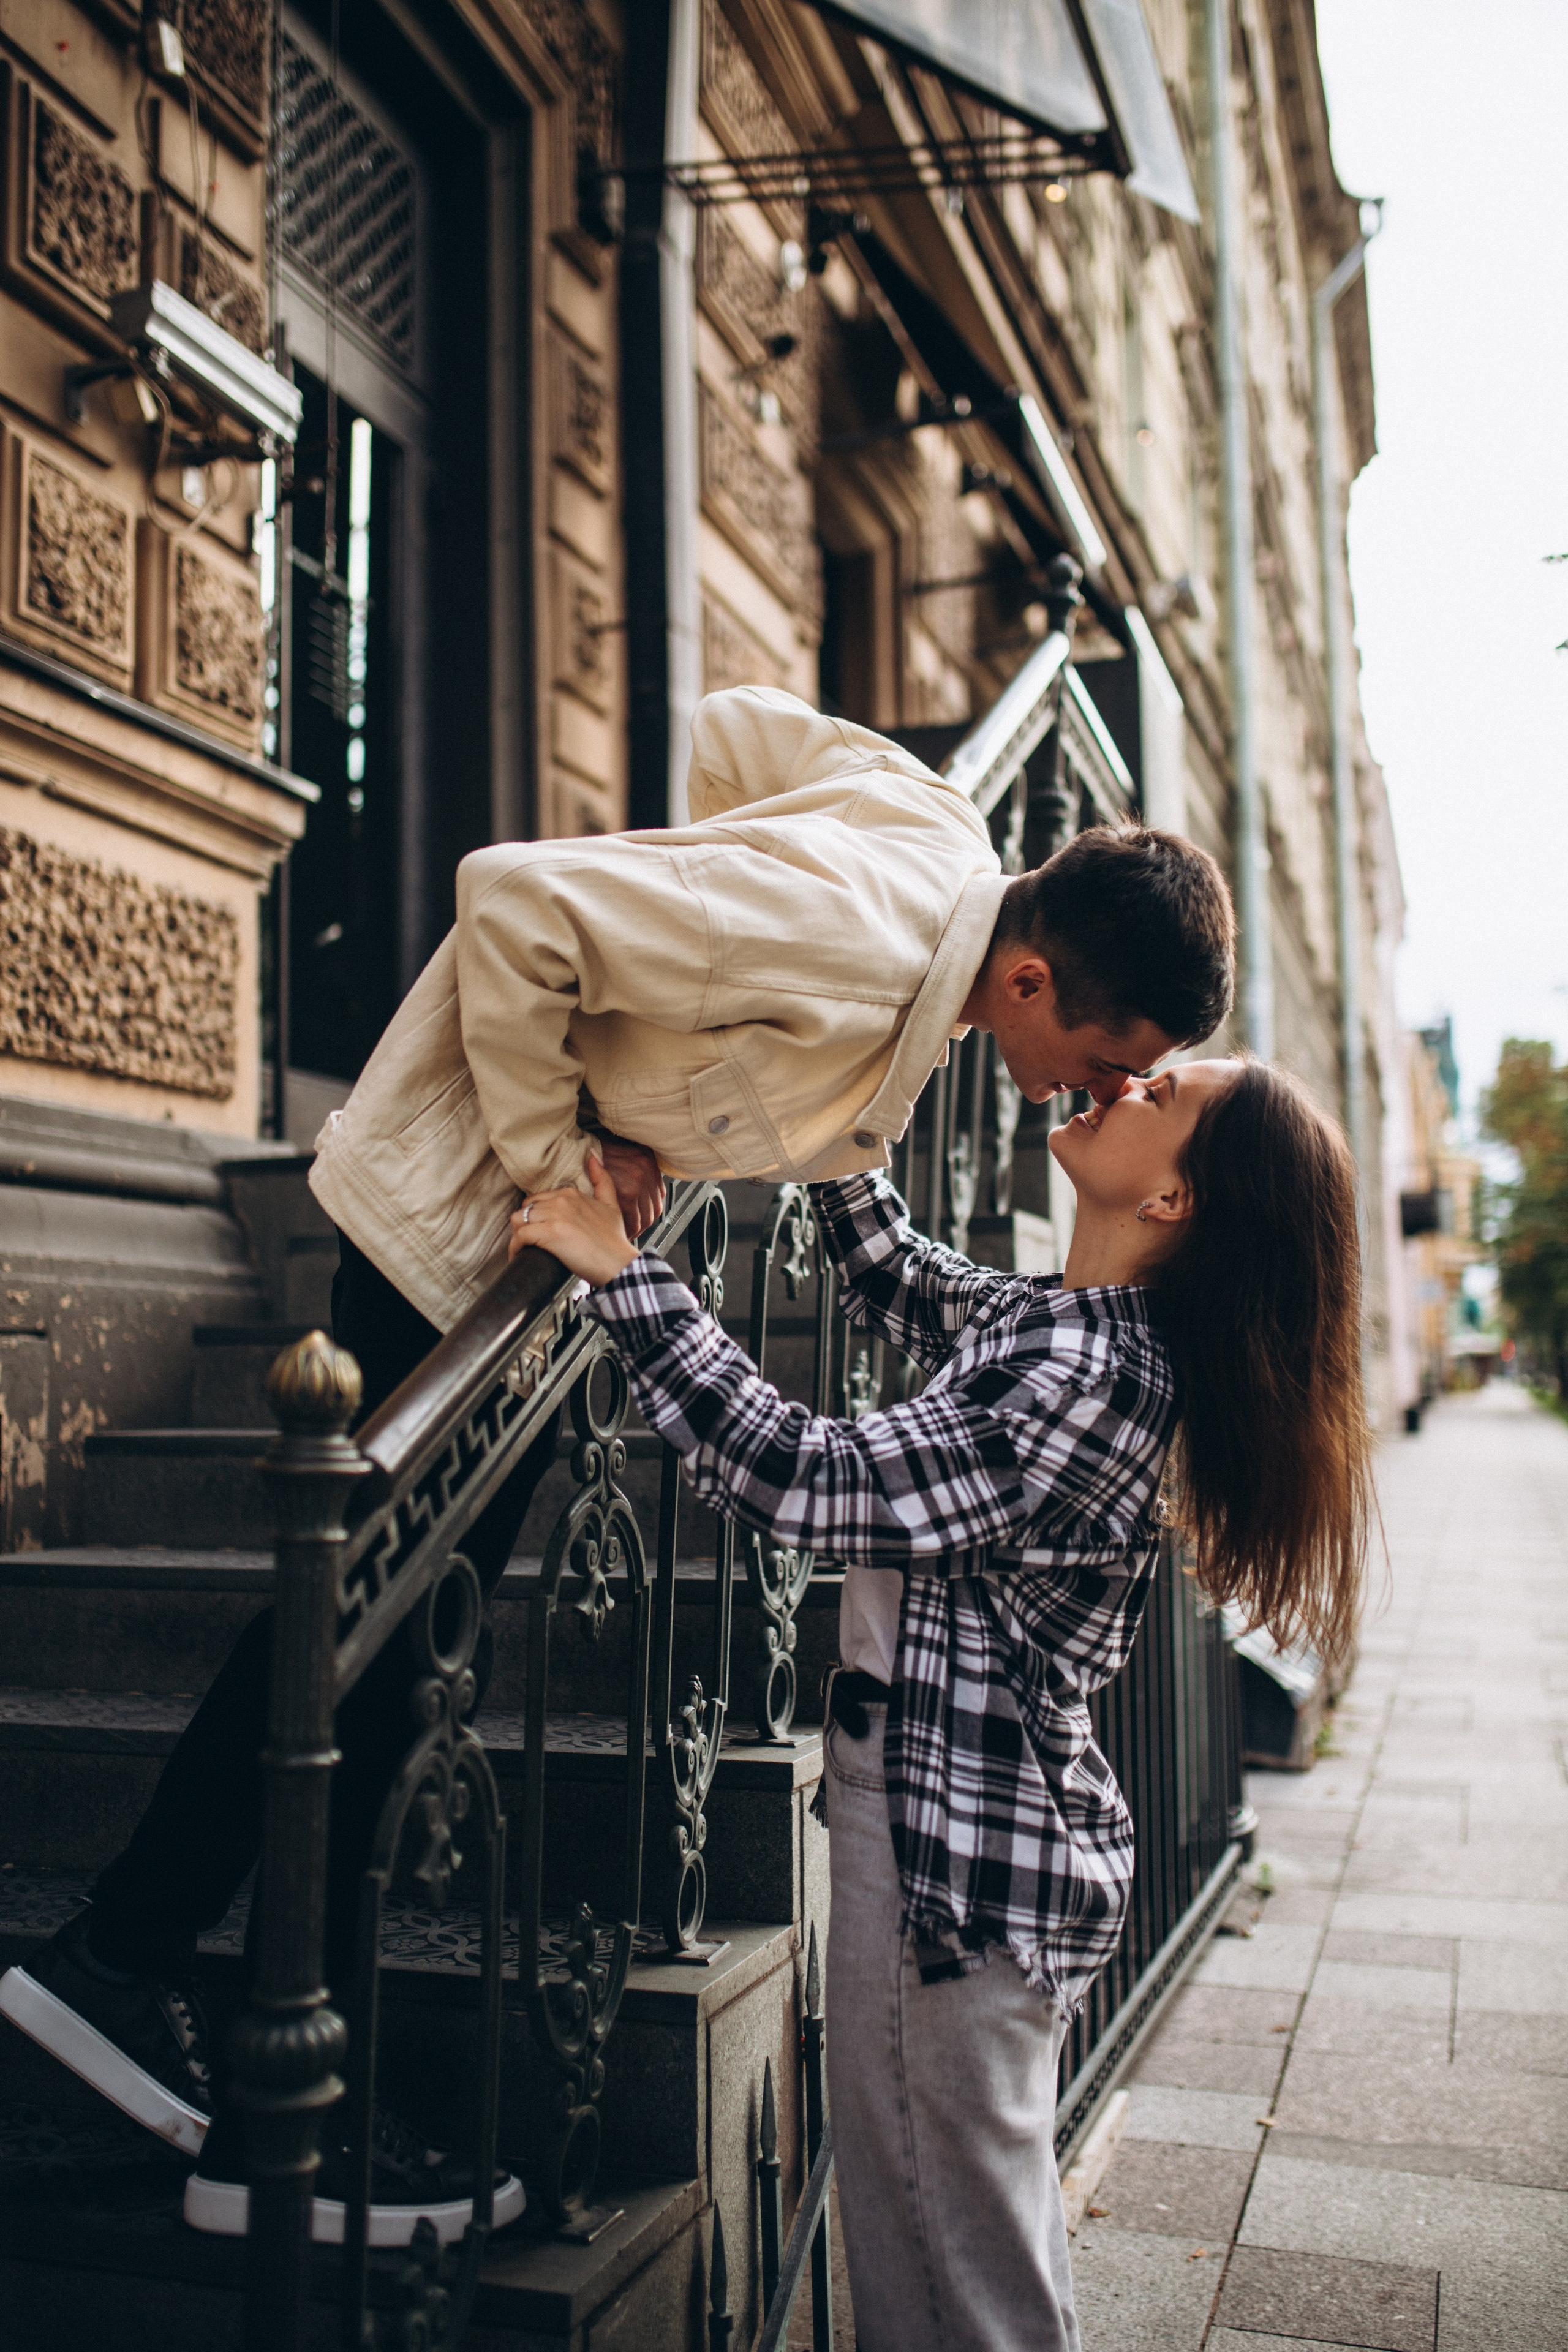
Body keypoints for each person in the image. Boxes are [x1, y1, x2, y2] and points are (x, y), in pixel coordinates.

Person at [0, 687, 1236, 2245]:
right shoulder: (857, 936)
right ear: (1036, 978)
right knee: (376, 1656)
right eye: (1099, 1062)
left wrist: (661, 1020)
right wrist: (565, 1152)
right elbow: (512, 900)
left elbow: (729, 729)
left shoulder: (934, 839)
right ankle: (226, 2065)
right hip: (457, 1225)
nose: (1079, 1094)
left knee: (385, 1645)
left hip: (481, 1234)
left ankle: (171, 2003)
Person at [510, 1055, 1372, 2352]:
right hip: (944, 1834)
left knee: (956, 2281)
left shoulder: (1093, 1381)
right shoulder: (1066, 1323)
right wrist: (833, 1083)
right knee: (934, 2247)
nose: (1127, 1079)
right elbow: (896, 1273)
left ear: (1174, 1199)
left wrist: (625, 1277)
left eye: (1164, 1094)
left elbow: (806, 1477)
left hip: (956, 1873)